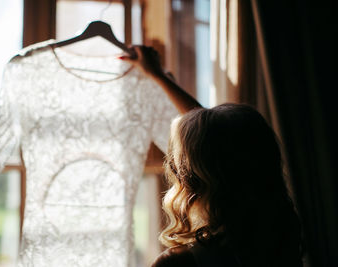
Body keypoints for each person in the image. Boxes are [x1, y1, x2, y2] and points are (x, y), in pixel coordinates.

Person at [119, 46, 302, 267]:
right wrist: (159, 77)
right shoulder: (284, 232)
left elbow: (212, 136)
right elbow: (219, 137)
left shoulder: (179, 263)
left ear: (192, 178)